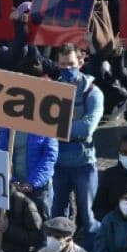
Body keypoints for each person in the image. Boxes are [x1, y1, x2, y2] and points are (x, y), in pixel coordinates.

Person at [51, 44, 104, 241]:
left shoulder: (93, 93)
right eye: (63, 65)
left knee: (89, 217)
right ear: (56, 63)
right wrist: (72, 125)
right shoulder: (50, 90)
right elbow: (41, 126)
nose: (67, 69)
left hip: (83, 164)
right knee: (56, 217)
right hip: (57, 164)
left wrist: (58, 126)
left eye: (71, 64)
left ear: (80, 63)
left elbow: (87, 128)